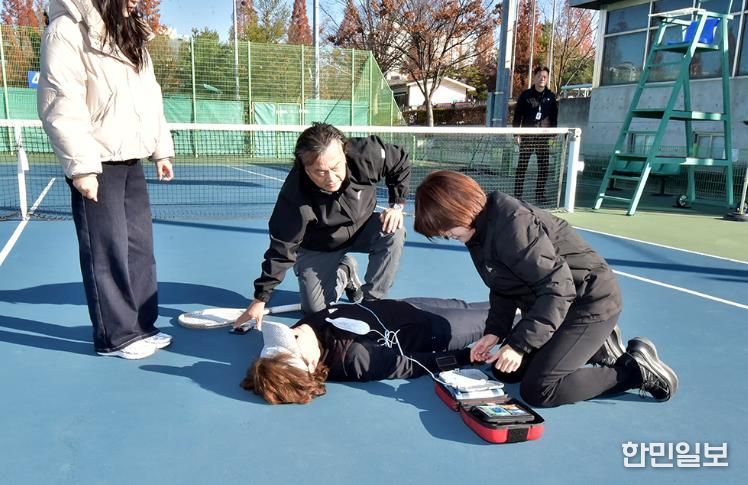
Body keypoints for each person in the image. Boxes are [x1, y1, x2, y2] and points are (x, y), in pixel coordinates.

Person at [413, 170, 679, 408]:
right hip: (556, 305)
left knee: (540, 390)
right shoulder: (478, 232)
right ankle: (598, 347)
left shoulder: (511, 225)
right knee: (505, 371)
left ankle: (635, 371)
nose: (446, 235)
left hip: (589, 301)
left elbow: (558, 289)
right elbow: (503, 286)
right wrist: (495, 332)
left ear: (460, 208)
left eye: (445, 227)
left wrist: (518, 346)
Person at [38, 0, 175, 359]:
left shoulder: (131, 33)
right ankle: (116, 336)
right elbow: (61, 102)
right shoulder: (66, 30)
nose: (137, 2)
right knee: (107, 250)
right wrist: (82, 167)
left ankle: (143, 325)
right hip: (97, 161)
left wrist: (160, 149)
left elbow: (151, 96)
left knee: (140, 247)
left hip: (131, 158)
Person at [235, 123, 410, 329]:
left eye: (336, 167)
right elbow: (282, 248)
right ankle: (344, 271)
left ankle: (371, 303)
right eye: (320, 172)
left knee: (393, 230)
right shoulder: (294, 197)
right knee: (316, 313)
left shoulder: (365, 155)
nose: (331, 179)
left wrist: (396, 206)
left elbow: (399, 160)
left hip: (362, 228)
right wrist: (260, 299)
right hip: (320, 245)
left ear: (344, 151)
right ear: (305, 168)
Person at [241, 298, 489, 404]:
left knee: (484, 305)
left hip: (408, 305)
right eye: (292, 340)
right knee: (498, 318)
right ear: (310, 362)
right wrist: (466, 357)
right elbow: (410, 365)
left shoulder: (305, 332)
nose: (291, 331)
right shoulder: (356, 358)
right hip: (435, 330)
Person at [512, 66, 558, 202]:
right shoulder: (525, 95)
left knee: (544, 167)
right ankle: (517, 195)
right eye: (539, 76)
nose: (542, 79)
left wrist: (553, 136)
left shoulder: (551, 97)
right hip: (527, 136)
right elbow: (517, 116)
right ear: (534, 77)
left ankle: (540, 194)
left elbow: (554, 117)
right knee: (522, 167)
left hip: (543, 138)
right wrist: (517, 134)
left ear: (547, 79)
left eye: (545, 77)